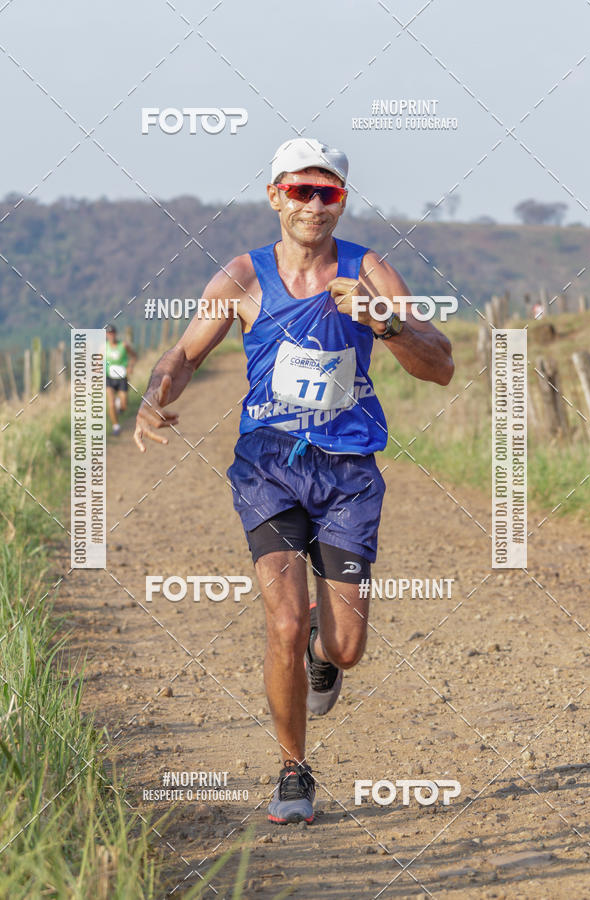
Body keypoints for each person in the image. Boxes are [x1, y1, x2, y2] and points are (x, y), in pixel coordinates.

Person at [134, 138, 454, 825]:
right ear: (276, 195)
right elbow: (185, 354)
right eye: (300, 190)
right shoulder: (242, 278)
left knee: (347, 648)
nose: (313, 204)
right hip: (268, 468)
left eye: (327, 192)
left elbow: (441, 364)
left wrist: (384, 321)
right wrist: (157, 391)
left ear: (341, 200)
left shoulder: (370, 270)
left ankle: (321, 645)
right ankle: (293, 771)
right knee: (279, 620)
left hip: (348, 474)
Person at [106, 324, 137, 435]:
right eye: (109, 334)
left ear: (115, 334)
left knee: (124, 404)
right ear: (106, 335)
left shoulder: (123, 345)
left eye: (112, 333)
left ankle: (120, 405)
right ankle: (116, 426)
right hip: (109, 377)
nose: (111, 336)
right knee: (111, 403)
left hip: (121, 377)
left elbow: (134, 356)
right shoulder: (104, 347)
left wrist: (130, 366)